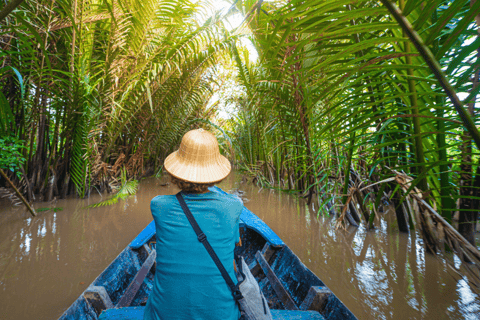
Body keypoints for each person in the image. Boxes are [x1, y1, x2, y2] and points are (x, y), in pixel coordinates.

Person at [144, 128, 243, 320]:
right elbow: (234, 246)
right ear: (215, 173)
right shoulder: (233, 207)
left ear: (176, 172)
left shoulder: (158, 206)